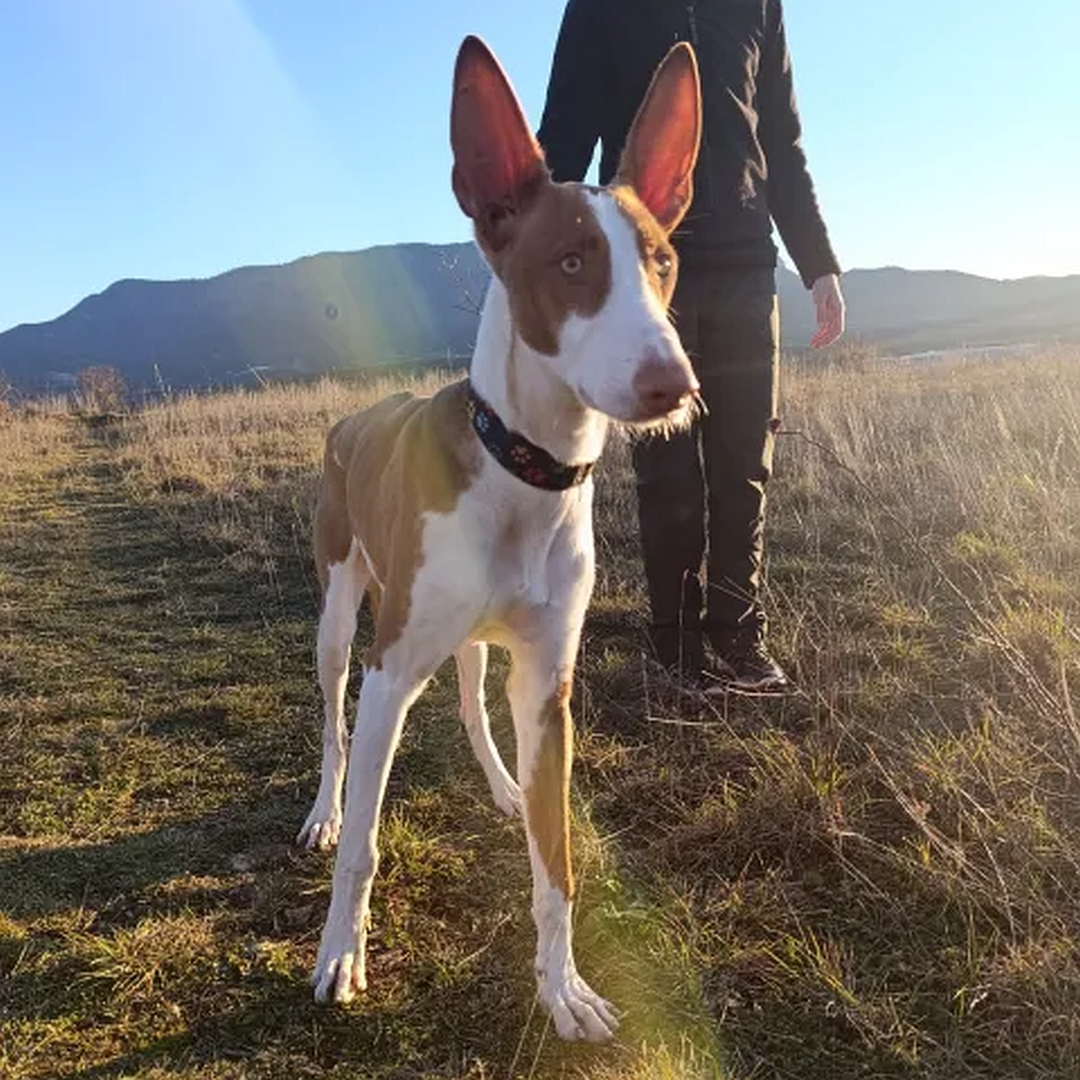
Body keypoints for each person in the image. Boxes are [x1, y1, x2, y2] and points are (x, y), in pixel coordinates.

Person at [537, 0, 845, 693]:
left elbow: (783, 141)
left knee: (744, 465)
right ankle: (675, 653)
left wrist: (818, 263)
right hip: (647, 277)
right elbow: (564, 137)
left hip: (746, 269)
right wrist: (534, 258)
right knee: (667, 476)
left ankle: (741, 640)